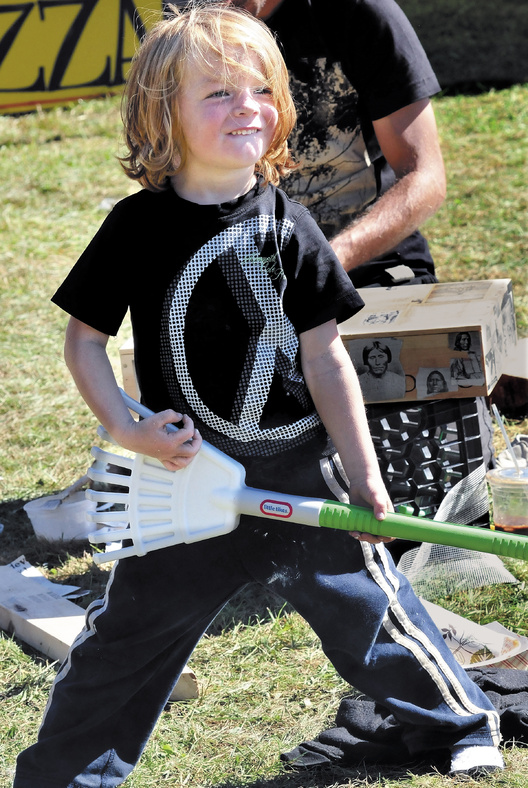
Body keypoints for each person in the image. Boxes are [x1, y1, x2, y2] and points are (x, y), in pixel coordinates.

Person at [13, 5, 503, 786]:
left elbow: (326, 357)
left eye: (259, 91)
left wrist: (363, 471)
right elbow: (84, 344)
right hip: (183, 486)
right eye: (218, 94)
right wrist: (128, 430)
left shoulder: (292, 227)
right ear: (161, 113)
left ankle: (461, 723)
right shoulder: (135, 229)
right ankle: (65, 774)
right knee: (123, 644)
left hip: (298, 474)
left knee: (371, 614)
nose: (247, 107)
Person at [225, 0, 446, 288]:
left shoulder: (356, 11)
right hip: (241, 276)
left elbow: (424, 176)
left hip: (370, 268)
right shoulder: (180, 25)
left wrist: (325, 261)